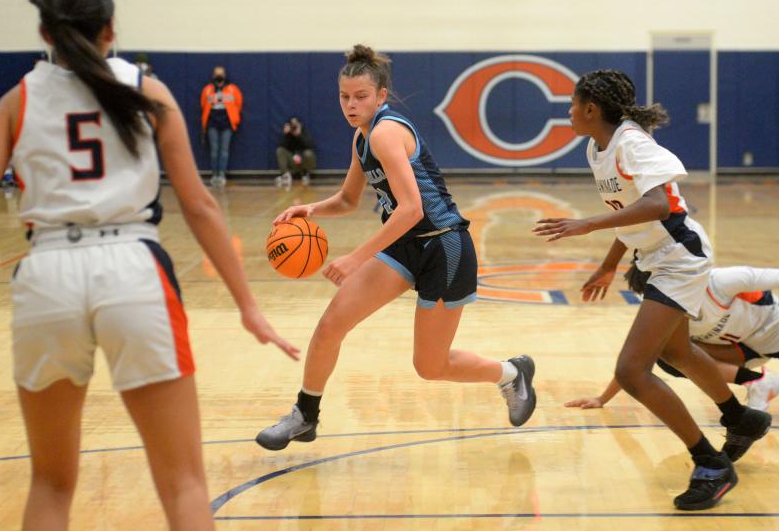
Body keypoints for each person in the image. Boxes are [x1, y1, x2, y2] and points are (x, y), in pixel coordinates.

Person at [0, 0, 298, 530]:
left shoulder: (17, 100)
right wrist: (247, 305)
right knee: (184, 483)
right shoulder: (147, 90)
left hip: (45, 274)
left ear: (43, 31)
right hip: (133, 269)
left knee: (50, 485)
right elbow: (199, 207)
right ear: (110, 29)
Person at [256, 44, 536, 451]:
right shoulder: (362, 137)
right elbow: (348, 200)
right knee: (331, 325)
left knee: (430, 366)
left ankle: (511, 373)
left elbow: (410, 209)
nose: (351, 105)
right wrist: (310, 209)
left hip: (445, 248)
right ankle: (305, 415)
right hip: (406, 247)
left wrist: (355, 258)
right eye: (344, 96)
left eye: (360, 96)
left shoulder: (387, 133)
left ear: (381, 95)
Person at [533, 69, 771, 511]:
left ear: (591, 109)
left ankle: (711, 464)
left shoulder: (631, 142)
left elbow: (658, 204)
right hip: (656, 257)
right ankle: (741, 417)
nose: (567, 111)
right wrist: (608, 265)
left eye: (571, 104)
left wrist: (586, 224)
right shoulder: (596, 148)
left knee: (631, 371)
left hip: (680, 256)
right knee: (676, 353)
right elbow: (629, 210)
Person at [569, 264, 779, 411]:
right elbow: (637, 358)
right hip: (736, 350)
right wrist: (602, 398)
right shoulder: (661, 306)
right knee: (667, 353)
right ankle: (757, 382)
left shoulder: (719, 281)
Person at [200, 66, 242, 187]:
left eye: (221, 74)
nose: (219, 76)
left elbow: (238, 103)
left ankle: (222, 175)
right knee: (214, 150)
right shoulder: (207, 90)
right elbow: (203, 104)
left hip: (227, 123)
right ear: (213, 75)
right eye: (217, 74)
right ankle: (215, 175)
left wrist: (234, 118)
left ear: (224, 75)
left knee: (224, 150)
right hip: (212, 122)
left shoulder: (232, 89)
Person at [275, 116, 317, 187]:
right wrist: (285, 135)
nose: (293, 127)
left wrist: (299, 135)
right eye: (292, 125)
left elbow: (310, 146)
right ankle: (285, 175)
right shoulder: (288, 135)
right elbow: (282, 146)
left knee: (309, 153)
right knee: (280, 150)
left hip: (303, 160)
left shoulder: (304, 132)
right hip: (293, 160)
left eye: (295, 125)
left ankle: (306, 174)